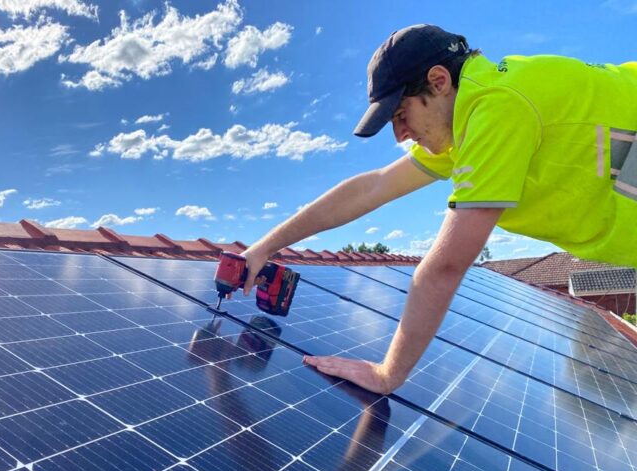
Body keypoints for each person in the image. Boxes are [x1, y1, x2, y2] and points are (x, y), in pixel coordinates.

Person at [239, 24, 637, 396]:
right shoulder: (470, 116)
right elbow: (372, 186)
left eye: (400, 115)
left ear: (439, 81)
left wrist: (387, 374)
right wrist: (265, 247)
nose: (400, 135)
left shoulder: (497, 108)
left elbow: (443, 267)